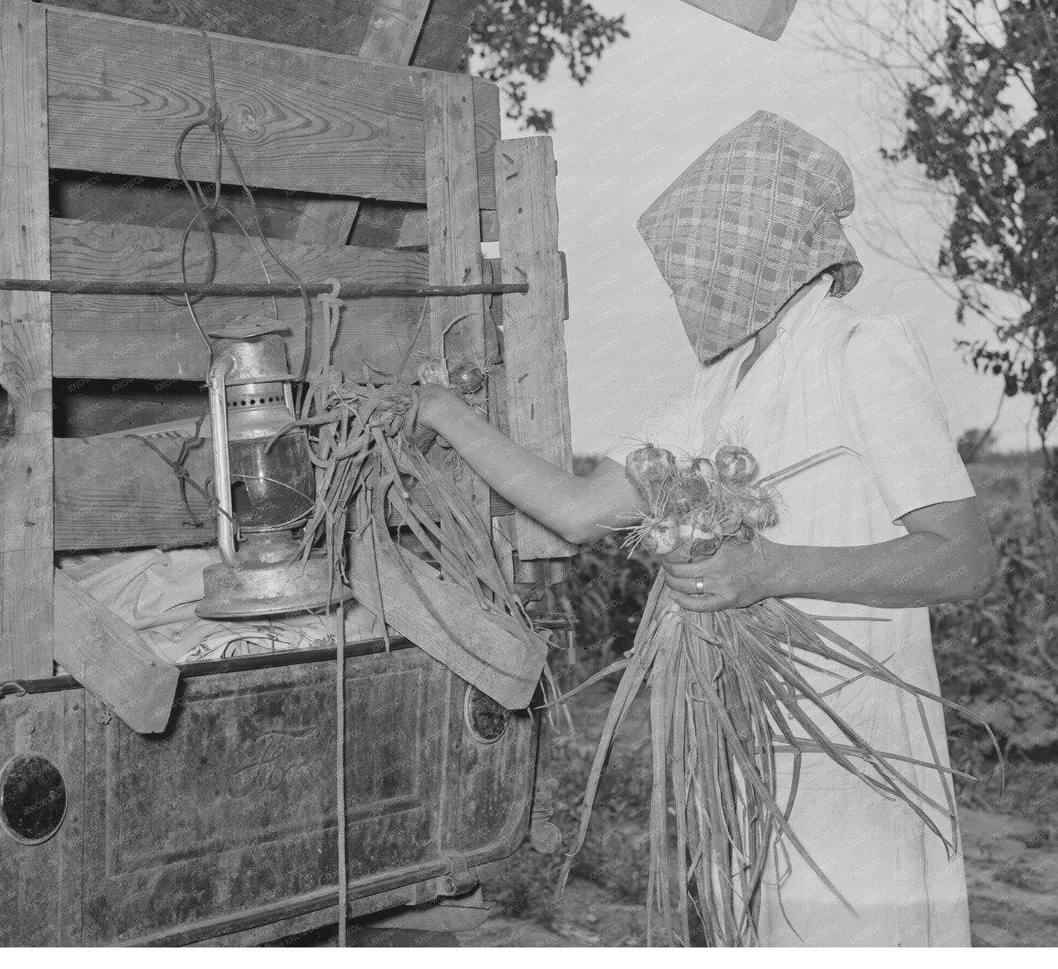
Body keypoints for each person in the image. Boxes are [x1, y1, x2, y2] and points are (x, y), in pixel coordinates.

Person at [412, 108, 994, 947]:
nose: (697, 277)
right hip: (749, 744)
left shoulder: (860, 348)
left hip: (852, 740)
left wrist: (771, 568)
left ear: (764, 241)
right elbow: (578, 510)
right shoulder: (721, 386)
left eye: (708, 252)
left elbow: (964, 558)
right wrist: (445, 413)